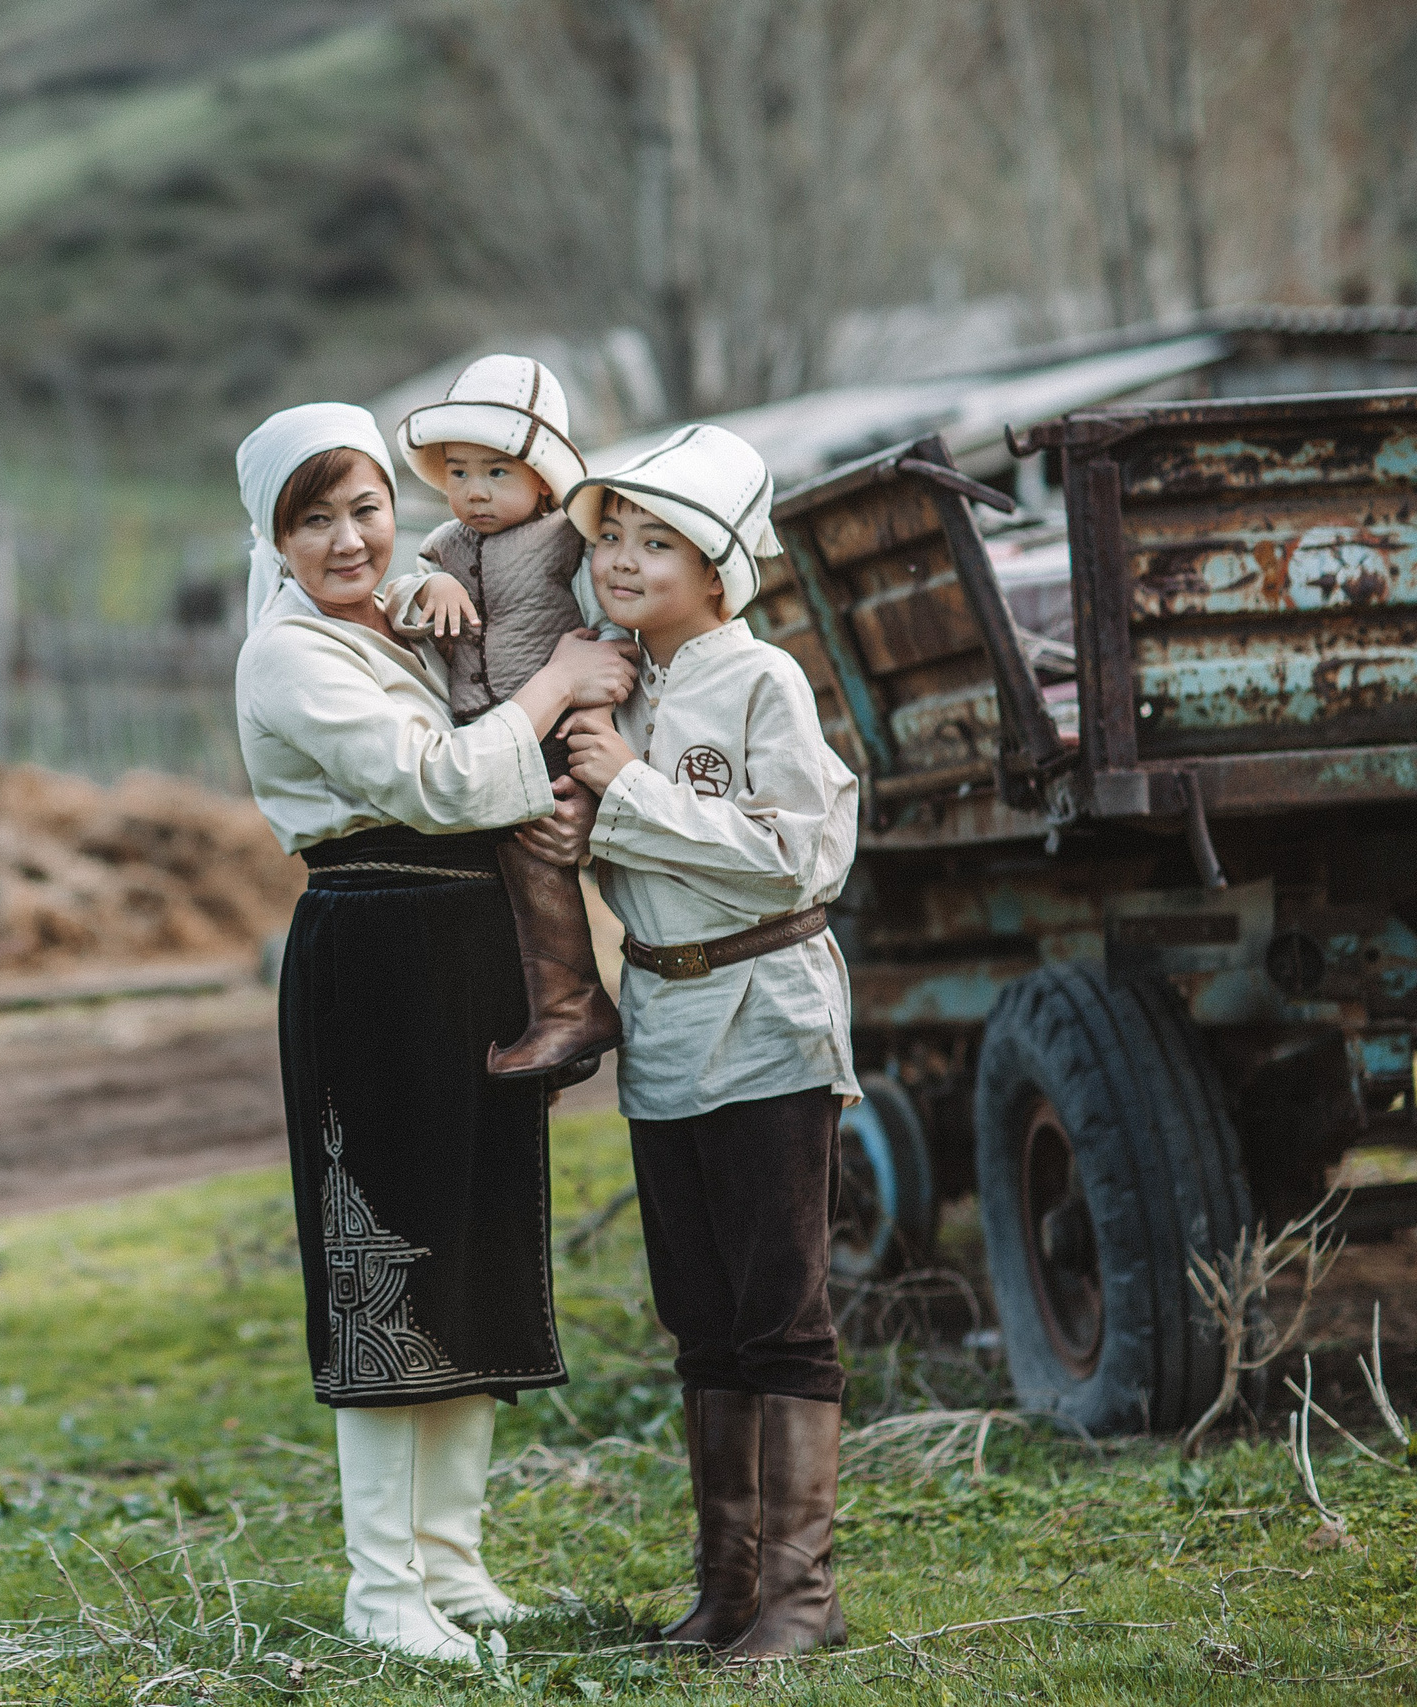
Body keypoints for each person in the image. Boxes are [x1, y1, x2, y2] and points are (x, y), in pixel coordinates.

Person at [232, 401, 637, 1666]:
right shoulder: (287, 656)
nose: (347, 539)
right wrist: (562, 680)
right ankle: (381, 1585)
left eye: (363, 507)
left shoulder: (405, 607)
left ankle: (452, 1566)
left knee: (470, 1242)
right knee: (385, 1260)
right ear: (273, 538)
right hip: (374, 946)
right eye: (313, 519)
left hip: (468, 940)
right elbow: (440, 781)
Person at [552, 423, 861, 1659]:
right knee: (702, 1314)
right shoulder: (614, 685)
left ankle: (802, 1597)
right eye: (611, 538)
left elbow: (798, 859)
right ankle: (726, 1590)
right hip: (665, 1024)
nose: (622, 560)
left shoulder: (760, 681)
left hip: (766, 1018)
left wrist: (628, 786)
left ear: (719, 570)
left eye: (657, 542)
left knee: (780, 1309)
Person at [383, 353, 625, 1085]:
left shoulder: (568, 540)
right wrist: (426, 592)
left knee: (535, 860)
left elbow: (608, 623)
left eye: (496, 472)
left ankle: (572, 1006)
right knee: (490, 881)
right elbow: (396, 603)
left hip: (548, 728)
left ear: (544, 480)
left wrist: (599, 711)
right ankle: (527, 1014)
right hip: (479, 734)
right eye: (458, 472)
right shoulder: (443, 548)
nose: (475, 491)